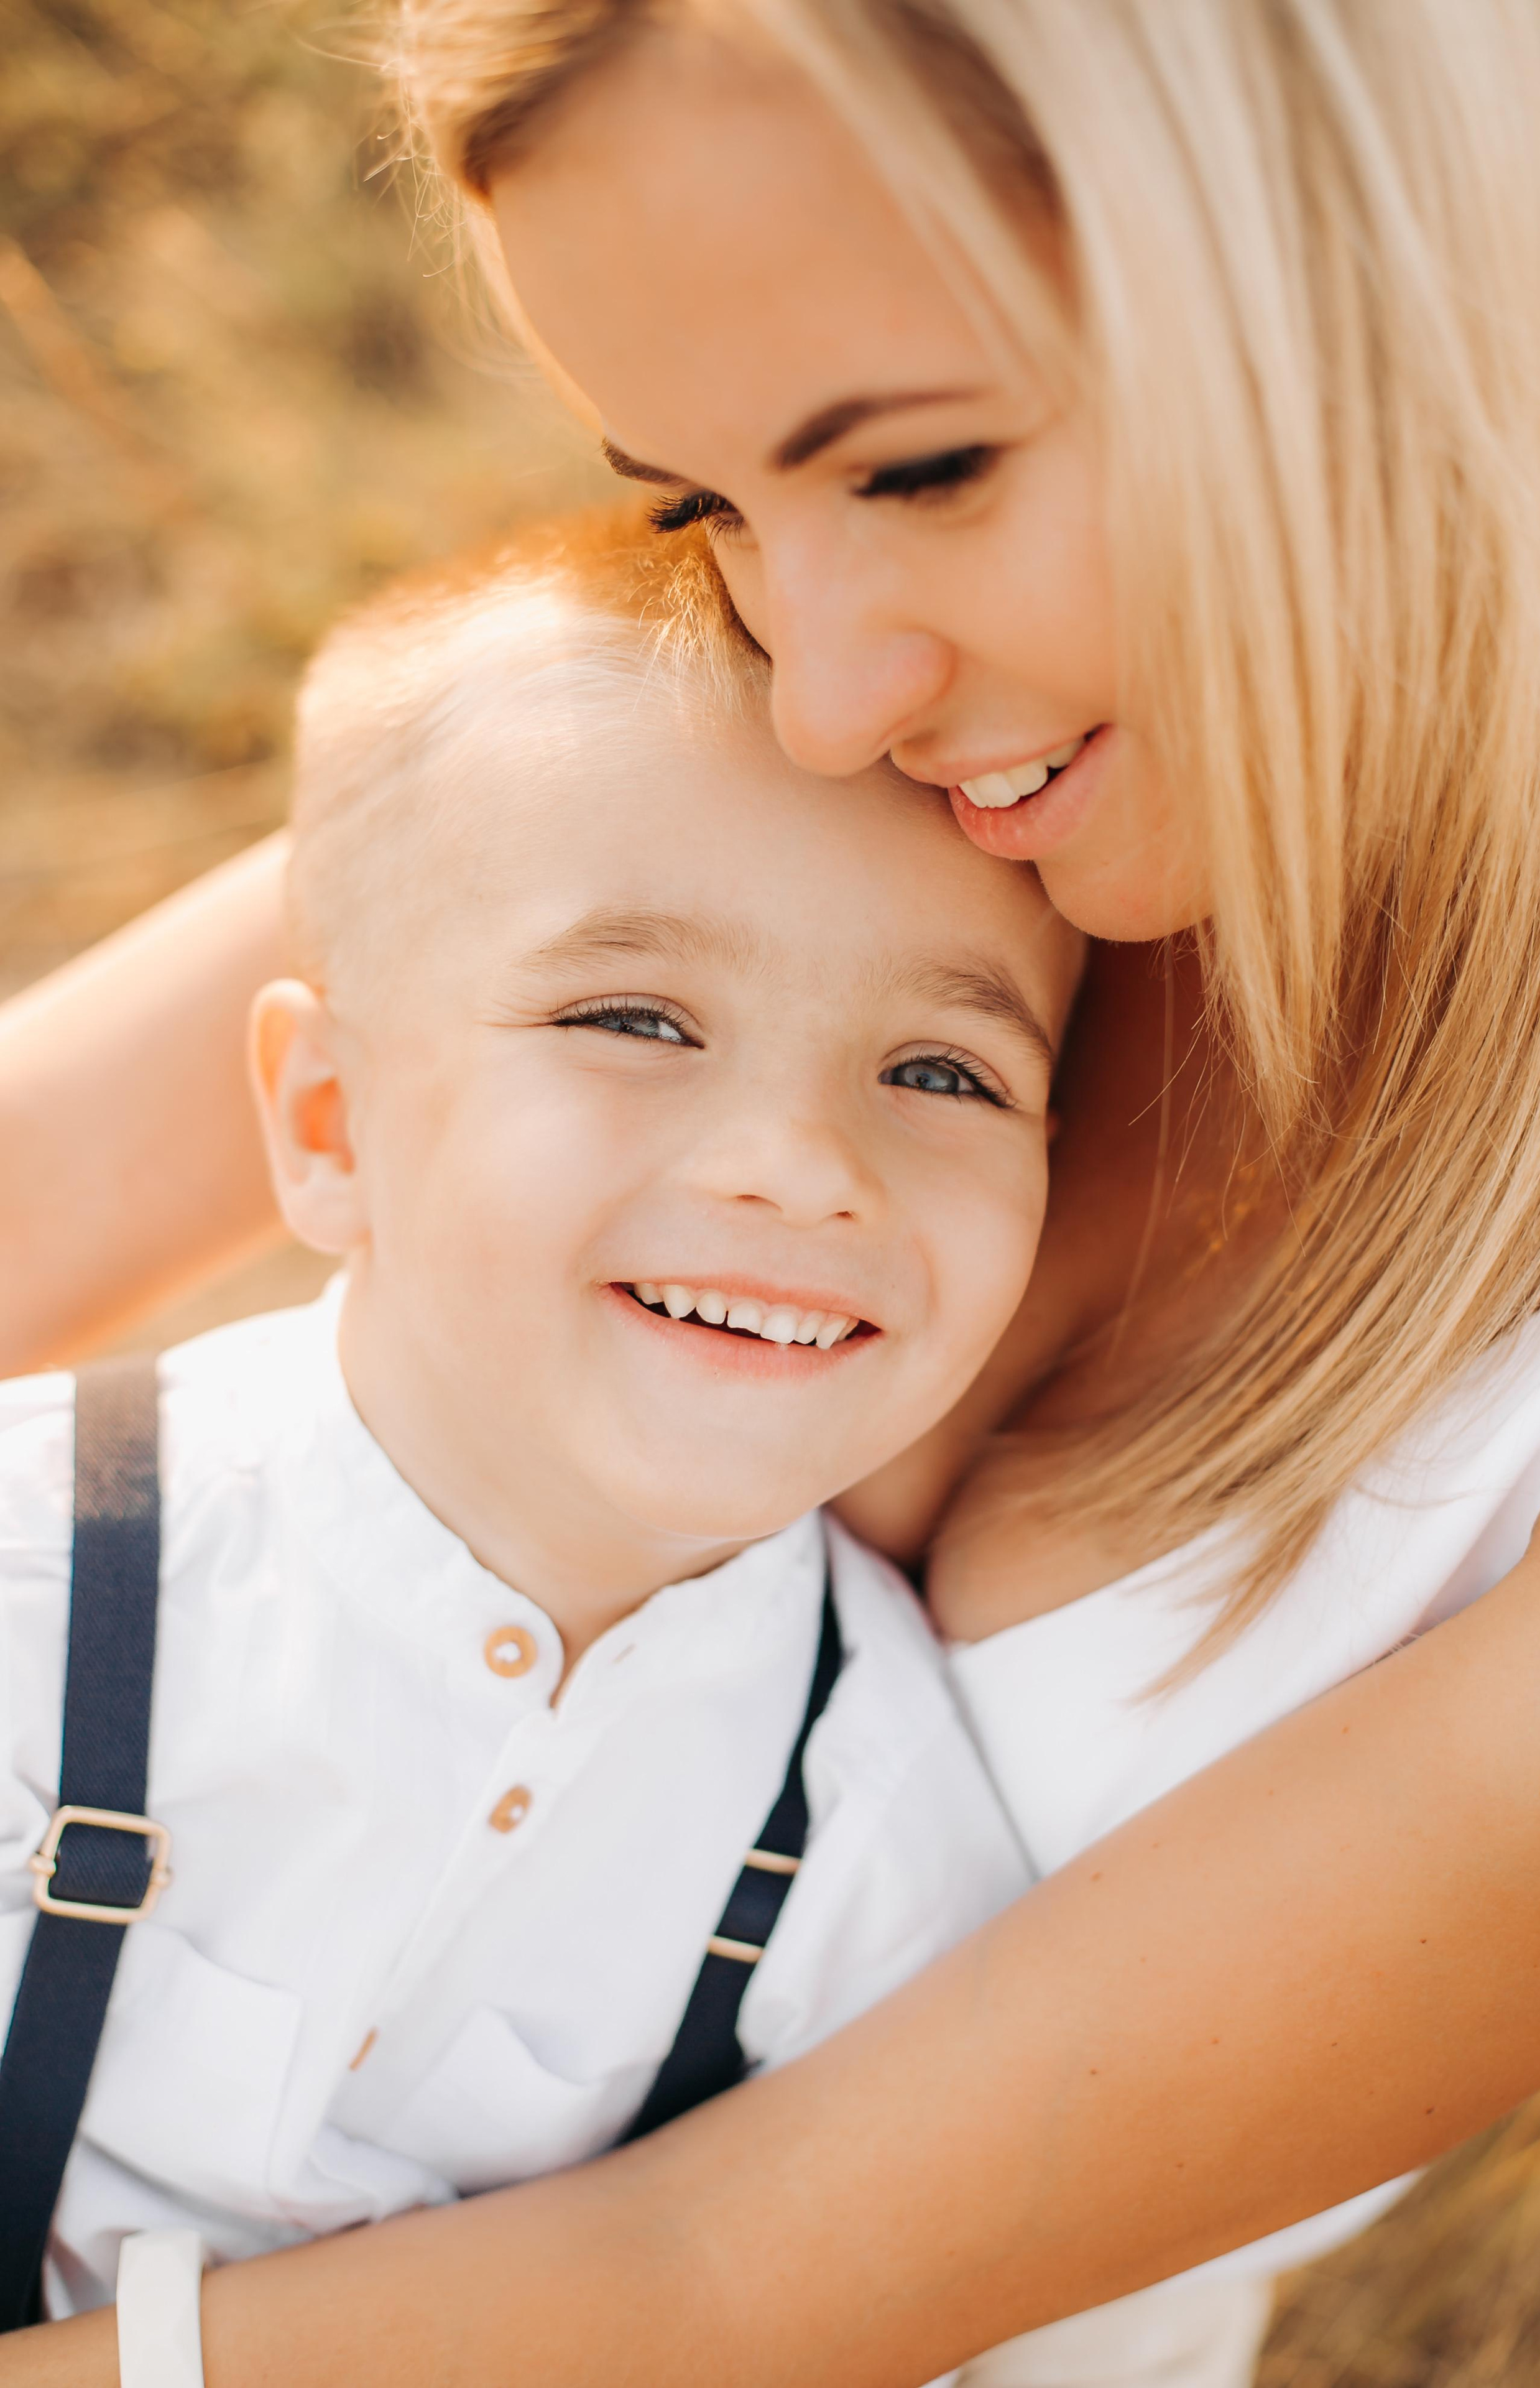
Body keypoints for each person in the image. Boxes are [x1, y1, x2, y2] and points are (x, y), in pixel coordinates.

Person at [1, 2, 1540, 2384]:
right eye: (705, 503)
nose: (821, 693)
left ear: (1397, 296)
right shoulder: (829, 736)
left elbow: (723, 2290)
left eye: (925, 468)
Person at [0, 520, 1076, 2343]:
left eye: (942, 1070)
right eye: (636, 1018)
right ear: (332, 1125)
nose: (804, 1166)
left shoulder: (881, 1834)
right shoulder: (45, 1572)